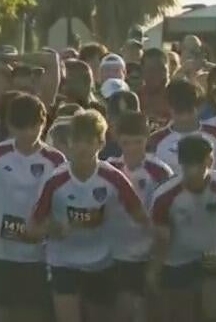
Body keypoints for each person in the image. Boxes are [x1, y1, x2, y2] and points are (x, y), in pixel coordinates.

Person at [28, 110, 147, 322]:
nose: (82, 147)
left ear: (100, 144)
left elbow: (141, 217)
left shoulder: (114, 178)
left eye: (89, 141)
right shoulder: (55, 181)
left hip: (101, 263)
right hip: (63, 262)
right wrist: (53, 229)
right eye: (77, 141)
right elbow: (33, 228)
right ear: (69, 142)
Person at [0, 93, 66, 322]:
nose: (29, 133)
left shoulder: (56, 160)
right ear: (10, 126)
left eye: (35, 127)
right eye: (22, 128)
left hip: (36, 252)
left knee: (33, 313)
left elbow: (62, 200)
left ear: (43, 123)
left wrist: (53, 228)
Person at [149, 135, 216, 322]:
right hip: (177, 260)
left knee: (214, 314)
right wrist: (154, 270)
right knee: (183, 315)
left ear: (209, 161)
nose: (192, 172)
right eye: (187, 165)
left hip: (213, 258)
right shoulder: (164, 196)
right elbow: (161, 238)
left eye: (198, 165)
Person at [107, 112, 174, 322]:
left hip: (148, 254)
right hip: (116, 253)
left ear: (147, 138)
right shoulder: (109, 169)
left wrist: (158, 258)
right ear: (118, 140)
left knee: (146, 311)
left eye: (138, 142)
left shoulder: (160, 171)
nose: (132, 148)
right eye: (126, 143)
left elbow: (167, 217)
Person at [148, 79, 216, 178]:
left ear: (199, 107)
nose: (185, 117)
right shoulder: (155, 141)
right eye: (179, 111)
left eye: (189, 110)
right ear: (169, 107)